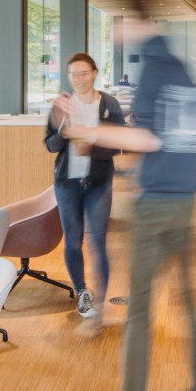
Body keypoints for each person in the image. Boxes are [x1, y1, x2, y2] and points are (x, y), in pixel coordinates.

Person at [60, 1, 196, 391]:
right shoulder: (184, 69)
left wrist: (88, 131)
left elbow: (147, 139)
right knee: (191, 303)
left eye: (122, 25)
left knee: (139, 313)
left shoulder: (154, 71)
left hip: (156, 206)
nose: (120, 33)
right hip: (187, 202)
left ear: (140, 24)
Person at [45, 52, 126, 321]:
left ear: (94, 73)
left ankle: (100, 300)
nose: (79, 79)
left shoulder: (109, 104)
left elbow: (119, 143)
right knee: (72, 239)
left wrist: (92, 143)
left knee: (97, 241)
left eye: (84, 73)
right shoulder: (62, 105)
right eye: (73, 75)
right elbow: (50, 145)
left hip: (98, 183)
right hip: (67, 184)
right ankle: (81, 292)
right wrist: (63, 130)